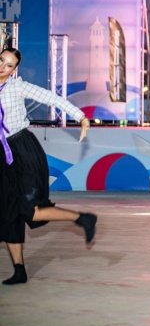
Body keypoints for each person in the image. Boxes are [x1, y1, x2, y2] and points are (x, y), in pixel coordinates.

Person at [0, 47, 97, 285]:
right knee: (8, 213)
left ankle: (82, 218)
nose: (3, 66)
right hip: (2, 155)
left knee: (29, 210)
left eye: (9, 65)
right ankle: (19, 271)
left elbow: (51, 98)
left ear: (14, 70)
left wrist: (81, 116)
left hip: (23, 150)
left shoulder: (17, 87)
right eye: (1, 60)